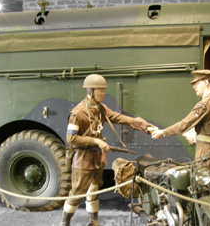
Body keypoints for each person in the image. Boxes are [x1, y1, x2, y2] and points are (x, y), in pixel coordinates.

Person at [60, 74, 152, 226]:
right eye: (100, 91)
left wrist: (140, 124)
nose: (104, 93)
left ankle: (93, 221)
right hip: (82, 160)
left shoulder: (100, 109)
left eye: (104, 91)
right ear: (91, 91)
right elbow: (71, 139)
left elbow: (117, 117)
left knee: (94, 190)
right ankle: (64, 223)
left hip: (96, 158)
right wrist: (95, 140)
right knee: (76, 194)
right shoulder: (77, 113)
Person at [152, 69, 210, 201]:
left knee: (204, 188)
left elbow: (184, 124)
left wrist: (163, 133)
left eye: (196, 83)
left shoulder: (205, 104)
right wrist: (197, 135)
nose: (194, 87)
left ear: (206, 82)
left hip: (206, 151)